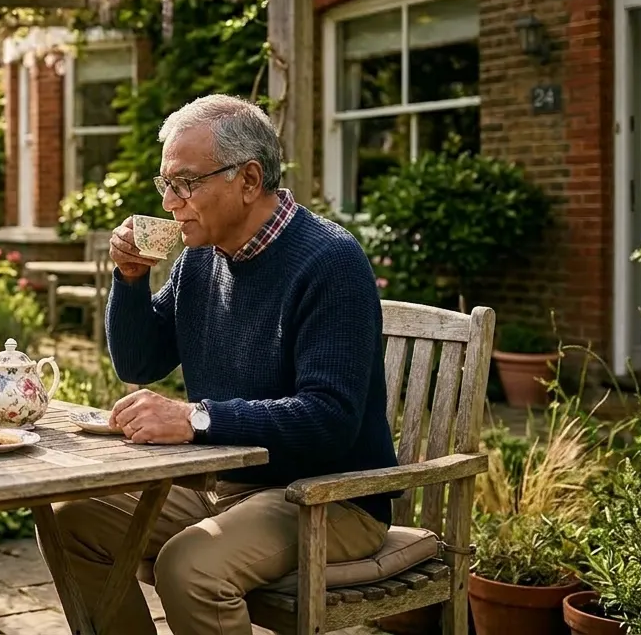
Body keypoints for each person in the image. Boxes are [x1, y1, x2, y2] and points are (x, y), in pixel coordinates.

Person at [48, 94, 398, 634]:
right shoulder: (201, 258)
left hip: (328, 499)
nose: (169, 201)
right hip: (227, 485)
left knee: (191, 568)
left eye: (185, 183)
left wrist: (195, 418)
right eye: (166, 183)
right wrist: (132, 279)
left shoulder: (331, 261)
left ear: (249, 180)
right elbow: (140, 360)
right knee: (75, 524)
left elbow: (329, 420)